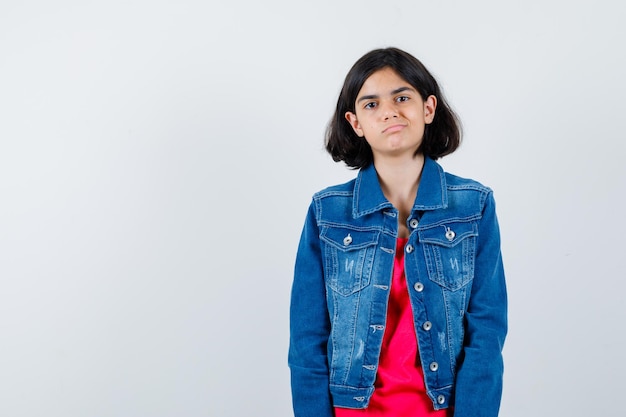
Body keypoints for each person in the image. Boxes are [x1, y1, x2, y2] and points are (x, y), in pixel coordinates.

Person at [288, 47, 507, 417]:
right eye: (370, 104)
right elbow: (307, 341)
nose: (389, 111)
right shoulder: (327, 213)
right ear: (356, 123)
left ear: (428, 108)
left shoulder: (474, 206)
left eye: (402, 97)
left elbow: (486, 335)